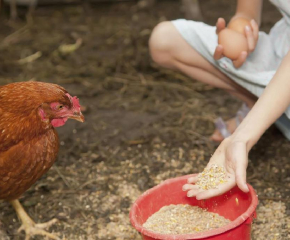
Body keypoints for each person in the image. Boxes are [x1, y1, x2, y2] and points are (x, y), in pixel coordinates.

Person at [149, 0, 290, 199]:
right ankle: (260, 107)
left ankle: (268, 114)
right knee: (164, 40)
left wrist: (241, 138)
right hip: (280, 51)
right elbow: (245, 13)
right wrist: (238, 33)